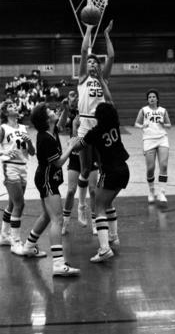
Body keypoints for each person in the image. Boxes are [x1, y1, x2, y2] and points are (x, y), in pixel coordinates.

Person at [75, 69, 129, 263]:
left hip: (111, 171)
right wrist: (102, 81)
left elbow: (78, 146)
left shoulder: (94, 132)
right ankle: (114, 236)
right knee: (107, 203)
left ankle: (105, 248)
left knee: (98, 206)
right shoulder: (114, 122)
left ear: (97, 116)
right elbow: (109, 99)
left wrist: (72, 142)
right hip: (124, 170)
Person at [22, 102, 80, 276]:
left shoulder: (50, 130)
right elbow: (59, 162)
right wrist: (71, 146)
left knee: (47, 216)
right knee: (58, 219)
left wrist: (65, 110)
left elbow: (61, 124)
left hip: (46, 178)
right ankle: (58, 264)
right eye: (50, 111)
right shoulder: (45, 138)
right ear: (46, 119)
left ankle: (29, 246)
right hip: (47, 180)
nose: (53, 111)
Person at [77, 20, 114, 228]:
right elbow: (83, 52)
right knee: (84, 169)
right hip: (84, 125)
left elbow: (112, 56)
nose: (91, 64)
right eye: (89, 62)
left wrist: (107, 36)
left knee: (103, 167)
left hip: (101, 127)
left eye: (94, 62)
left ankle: (98, 207)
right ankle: (81, 205)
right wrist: (90, 29)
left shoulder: (103, 78)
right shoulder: (82, 78)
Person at [0, 99, 35, 254]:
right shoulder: (3, 128)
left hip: (23, 168)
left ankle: (4, 236)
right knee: (20, 204)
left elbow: (32, 153)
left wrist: (30, 144)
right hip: (11, 167)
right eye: (11, 106)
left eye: (15, 105)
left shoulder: (23, 127)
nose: (15, 107)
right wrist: (5, 153)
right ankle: (16, 242)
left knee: (13, 205)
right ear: (6, 112)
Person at [61, 91, 98, 236]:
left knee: (93, 190)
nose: (76, 98)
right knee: (71, 191)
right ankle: (65, 222)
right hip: (76, 156)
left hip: (91, 153)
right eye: (73, 96)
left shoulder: (91, 112)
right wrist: (67, 106)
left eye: (78, 96)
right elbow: (62, 127)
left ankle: (95, 223)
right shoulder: (71, 115)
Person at [134, 89, 171, 203]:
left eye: (153, 96)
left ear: (157, 98)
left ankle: (161, 192)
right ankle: (151, 191)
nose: (152, 98)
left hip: (162, 139)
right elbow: (136, 124)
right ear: (147, 99)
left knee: (163, 165)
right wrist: (142, 126)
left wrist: (163, 124)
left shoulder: (163, 110)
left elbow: (169, 125)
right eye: (149, 97)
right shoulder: (144, 110)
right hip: (149, 139)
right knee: (150, 168)